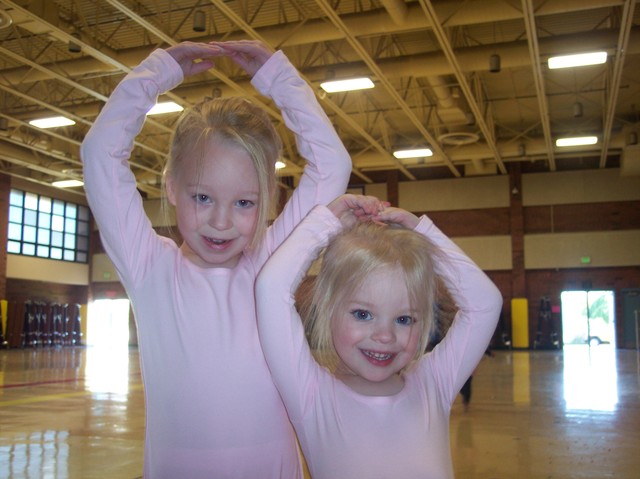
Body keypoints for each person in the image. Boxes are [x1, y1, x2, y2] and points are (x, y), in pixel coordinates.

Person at [81, 40, 351, 478]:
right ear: (171, 187)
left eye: (245, 202)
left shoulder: (273, 261)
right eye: (202, 197)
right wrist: (158, 72)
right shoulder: (150, 267)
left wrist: (280, 78)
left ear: (267, 198)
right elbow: (100, 153)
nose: (221, 222)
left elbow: (332, 163)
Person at [255, 195, 503, 479]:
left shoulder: (434, 384)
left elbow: (486, 303)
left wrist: (423, 236)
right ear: (329, 308)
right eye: (362, 314)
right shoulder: (311, 395)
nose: (385, 336)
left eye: (403, 319)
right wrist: (326, 223)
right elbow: (271, 288)